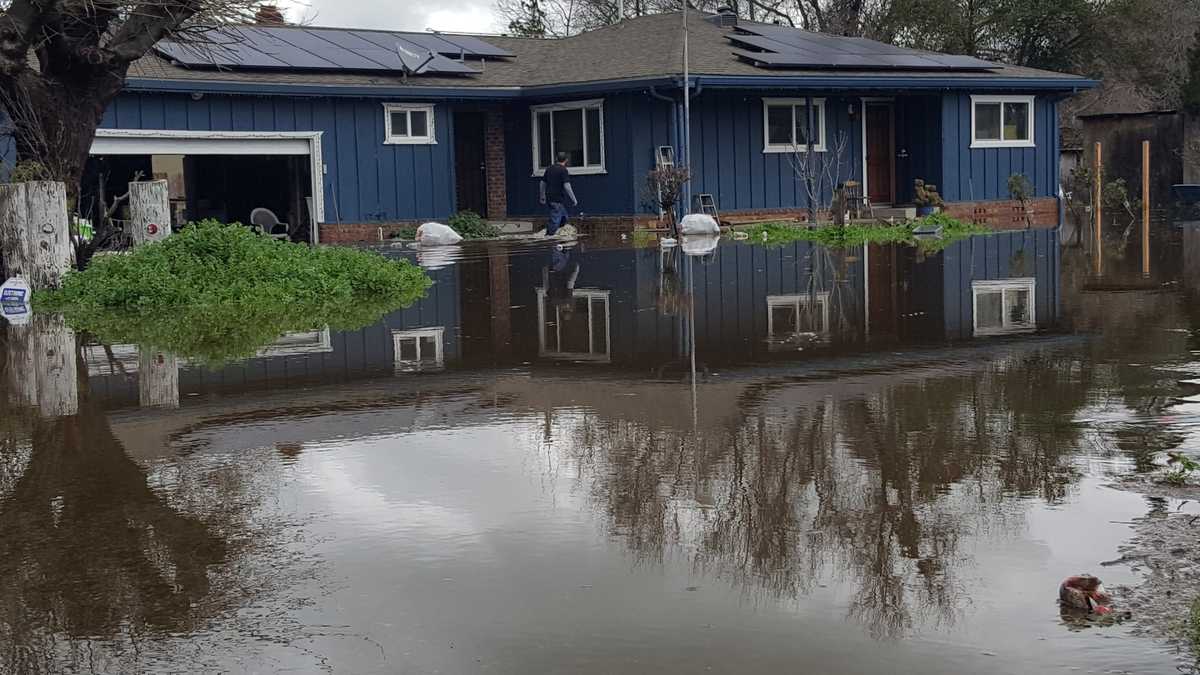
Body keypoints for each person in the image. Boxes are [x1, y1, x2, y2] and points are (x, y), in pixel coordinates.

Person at [539, 151, 578, 236]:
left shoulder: (549, 168)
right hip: (557, 199)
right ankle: (549, 237)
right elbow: (567, 186)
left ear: (556, 159)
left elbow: (542, 183)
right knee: (555, 220)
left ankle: (559, 237)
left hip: (550, 198)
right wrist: (574, 199)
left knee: (564, 218)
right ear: (566, 160)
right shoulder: (563, 170)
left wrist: (542, 196)